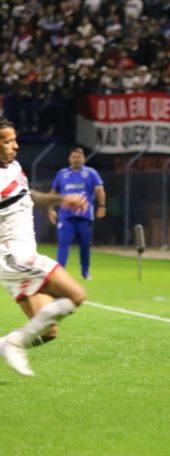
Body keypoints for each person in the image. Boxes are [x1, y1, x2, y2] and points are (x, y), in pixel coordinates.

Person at [0, 118, 89, 376]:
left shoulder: (13, 167)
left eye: (15, 139)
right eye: (7, 141)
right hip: (13, 255)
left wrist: (62, 199)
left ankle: (8, 344)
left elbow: (29, 196)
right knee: (76, 295)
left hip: (21, 255)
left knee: (48, 332)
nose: (15, 146)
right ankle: (16, 343)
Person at [47, 146, 106, 280]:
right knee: (63, 244)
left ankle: (85, 272)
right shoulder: (62, 174)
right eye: (73, 157)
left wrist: (102, 206)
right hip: (65, 216)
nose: (76, 159)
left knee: (85, 246)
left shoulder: (91, 173)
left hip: (84, 217)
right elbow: (53, 193)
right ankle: (60, 273)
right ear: (69, 159)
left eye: (79, 157)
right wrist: (50, 210)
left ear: (83, 158)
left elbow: (99, 190)